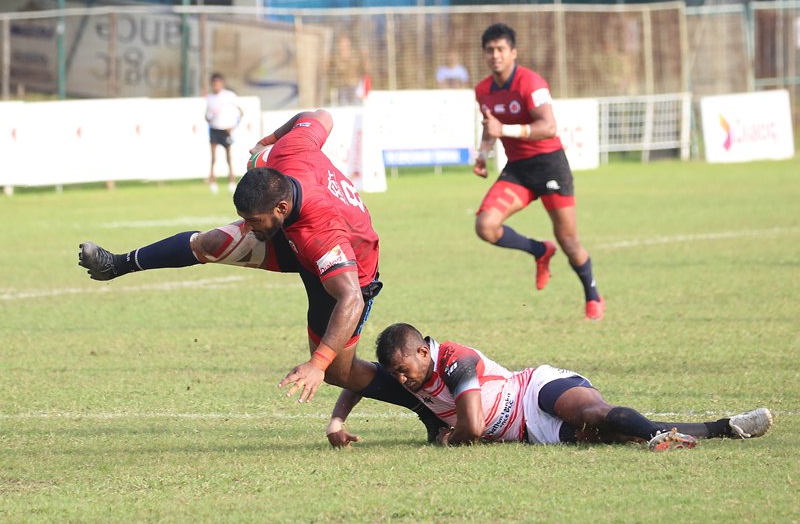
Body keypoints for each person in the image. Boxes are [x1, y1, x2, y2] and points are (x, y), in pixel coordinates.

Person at [78, 109, 446, 442]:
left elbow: (349, 297)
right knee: (211, 242)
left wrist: (317, 365)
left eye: (254, 221)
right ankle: (117, 264)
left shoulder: (320, 233)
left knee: (337, 372)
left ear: (281, 207)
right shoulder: (291, 149)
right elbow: (320, 115)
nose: (249, 228)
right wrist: (268, 140)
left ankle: (429, 410)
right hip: (294, 238)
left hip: (348, 271)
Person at [327, 322, 774, 450]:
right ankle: (724, 428)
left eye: (404, 369)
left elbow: (474, 428)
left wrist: (449, 439)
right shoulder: (406, 375)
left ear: (424, 351)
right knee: (615, 435)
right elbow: (357, 379)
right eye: (395, 373)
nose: (400, 379)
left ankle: (683, 432)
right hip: (530, 431)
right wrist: (336, 422)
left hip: (533, 389)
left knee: (596, 414)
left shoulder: (454, 360)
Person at [473, 23, 604, 320]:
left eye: (501, 49)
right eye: (490, 50)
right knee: (485, 226)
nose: (495, 55)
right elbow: (491, 127)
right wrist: (482, 155)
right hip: (518, 170)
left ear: (513, 52)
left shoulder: (531, 83)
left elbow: (549, 126)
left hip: (550, 166)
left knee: (569, 241)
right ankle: (539, 250)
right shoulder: (483, 90)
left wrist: (504, 130)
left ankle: (593, 296)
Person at [206, 72, 243, 194]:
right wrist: (209, 118)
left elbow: (241, 112)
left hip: (226, 130)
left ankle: (231, 182)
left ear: (222, 84)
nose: (216, 86)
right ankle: (212, 182)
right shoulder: (210, 98)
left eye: (218, 83)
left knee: (229, 157)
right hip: (214, 129)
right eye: (214, 84)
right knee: (213, 157)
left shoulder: (229, 96)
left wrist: (233, 126)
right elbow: (207, 116)